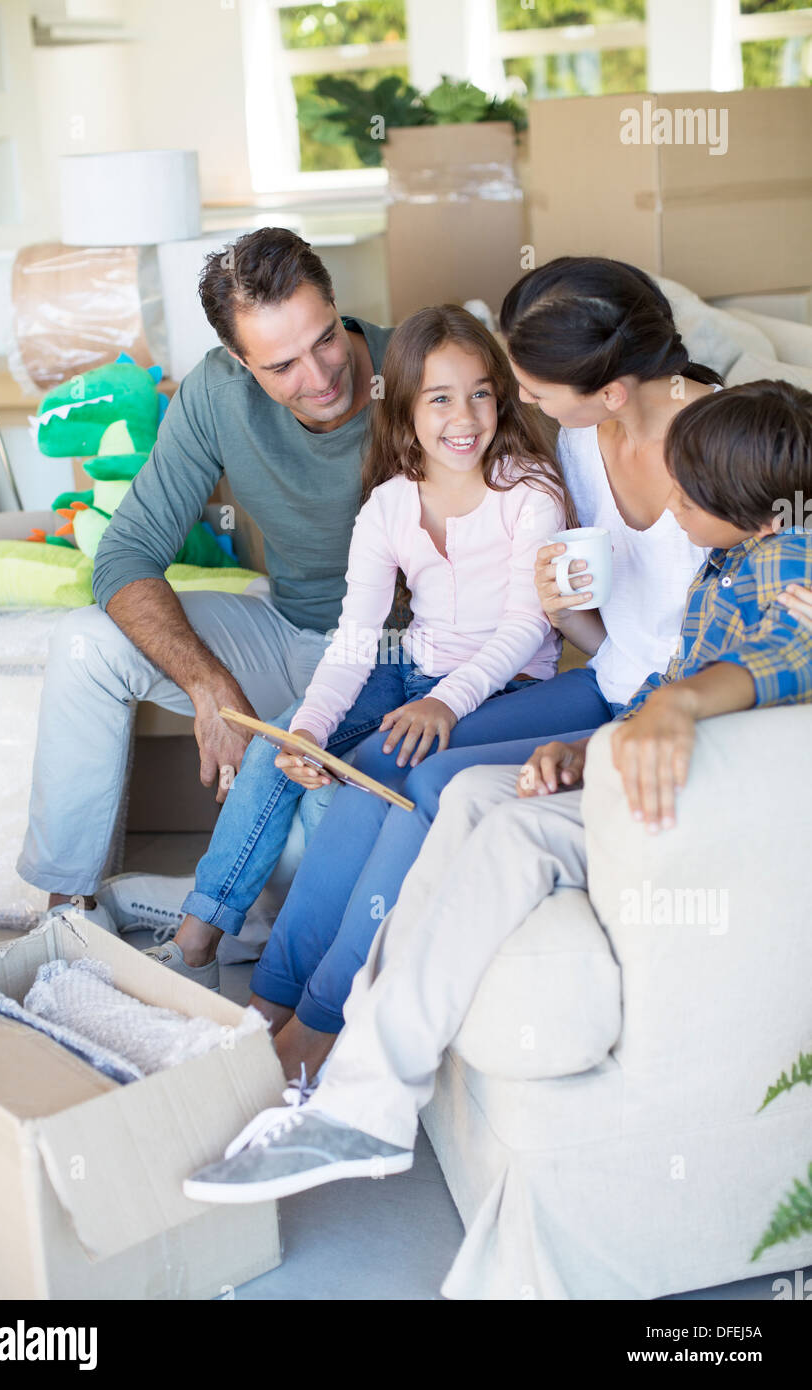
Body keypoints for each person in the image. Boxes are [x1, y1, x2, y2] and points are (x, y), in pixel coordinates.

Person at [181, 378, 812, 1203]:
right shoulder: (728, 559)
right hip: (626, 750)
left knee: (496, 820)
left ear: (769, 513)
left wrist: (679, 704)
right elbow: (661, 674)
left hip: (696, 795)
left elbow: (782, 656)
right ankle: (328, 1045)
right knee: (469, 792)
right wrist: (584, 751)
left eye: (694, 494)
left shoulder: (791, 561)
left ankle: (356, 1092)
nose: (674, 506)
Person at [235, 256, 726, 1080]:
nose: (519, 402)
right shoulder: (581, 439)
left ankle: (318, 1025)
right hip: (606, 676)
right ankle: (269, 997)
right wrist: (570, 613)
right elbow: (600, 627)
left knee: (431, 781)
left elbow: (750, 615)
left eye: (527, 386)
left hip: (661, 705)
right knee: (374, 764)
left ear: (608, 389)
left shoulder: (725, 449)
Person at [148, 305, 574, 990]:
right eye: (439, 399)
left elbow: (527, 626)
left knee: (375, 771)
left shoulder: (529, 491)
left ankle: (309, 980)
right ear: (405, 407)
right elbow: (355, 641)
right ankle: (198, 937)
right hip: (412, 667)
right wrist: (311, 731)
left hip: (505, 687)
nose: (463, 419)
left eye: (480, 394)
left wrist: (443, 702)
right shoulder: (388, 506)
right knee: (280, 742)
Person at [16, 228, 394, 923]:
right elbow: (125, 554)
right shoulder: (215, 395)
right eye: (281, 365)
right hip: (287, 635)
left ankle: (199, 917)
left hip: (398, 667)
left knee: (305, 886)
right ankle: (68, 918)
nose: (319, 378)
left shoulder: (418, 372)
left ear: (336, 304)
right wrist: (208, 684)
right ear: (238, 360)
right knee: (82, 642)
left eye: (325, 340)